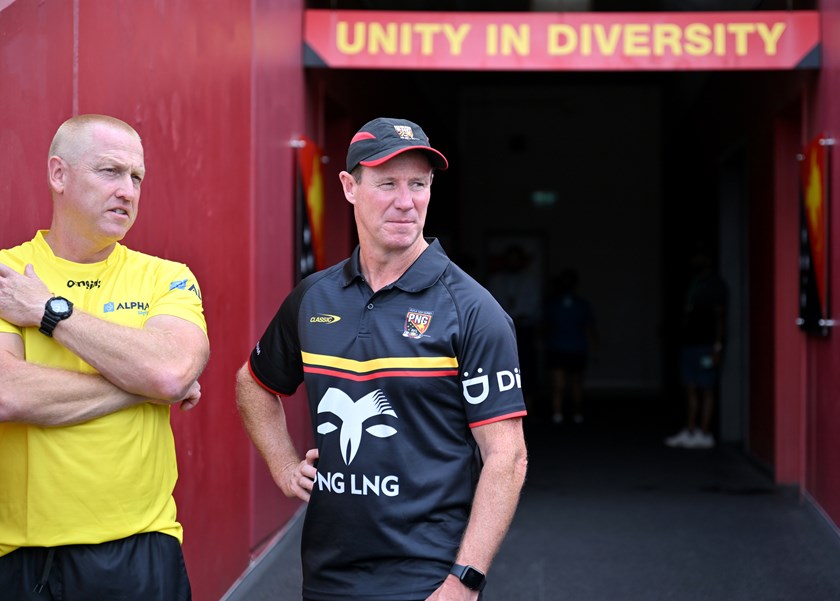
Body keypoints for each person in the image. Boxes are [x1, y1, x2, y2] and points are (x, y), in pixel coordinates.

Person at [236, 117, 528, 601]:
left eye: (418, 184)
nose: (405, 200)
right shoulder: (314, 297)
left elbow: (508, 457)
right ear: (349, 187)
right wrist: (284, 465)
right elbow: (253, 382)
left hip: (427, 578)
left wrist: (465, 580)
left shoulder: (473, 310)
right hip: (328, 574)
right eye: (387, 183)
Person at [0, 114, 210, 600]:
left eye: (136, 177)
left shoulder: (166, 277)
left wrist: (49, 311)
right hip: (22, 555)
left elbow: (171, 368)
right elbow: (8, 394)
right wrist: (144, 389)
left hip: (139, 548)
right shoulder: (8, 275)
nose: (128, 191)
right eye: (110, 172)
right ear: (59, 175)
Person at [665, 244, 727, 450]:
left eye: (698, 257)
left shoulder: (715, 285)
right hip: (689, 344)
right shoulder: (692, 283)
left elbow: (720, 317)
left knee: (707, 388)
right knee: (690, 387)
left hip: (706, 345)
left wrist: (717, 347)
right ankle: (690, 430)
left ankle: (705, 432)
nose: (694, 262)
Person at [544, 268, 598, 425]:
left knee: (573, 384)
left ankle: (574, 413)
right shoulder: (553, 304)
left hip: (574, 348)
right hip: (560, 348)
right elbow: (545, 327)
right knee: (560, 384)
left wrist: (596, 350)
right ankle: (558, 414)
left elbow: (590, 329)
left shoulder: (580, 304)